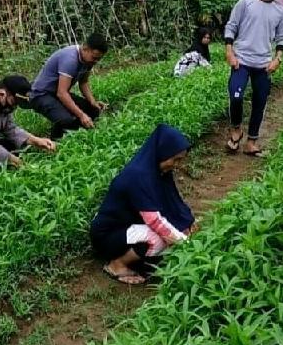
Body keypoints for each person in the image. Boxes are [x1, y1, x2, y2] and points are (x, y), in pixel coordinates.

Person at [90, 124, 196, 285]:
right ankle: (117, 265)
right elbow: (155, 221)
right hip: (108, 235)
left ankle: (139, 257)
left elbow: (172, 202)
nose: (178, 164)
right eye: (175, 159)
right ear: (163, 152)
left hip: (130, 226)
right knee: (158, 237)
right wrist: (188, 246)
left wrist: (187, 223)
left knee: (178, 229)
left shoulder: (159, 171)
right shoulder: (138, 176)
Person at [224, 0, 283, 158]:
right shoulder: (245, 3)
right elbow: (231, 27)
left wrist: (278, 59)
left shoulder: (280, 11)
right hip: (241, 61)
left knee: (260, 100)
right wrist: (229, 52)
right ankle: (236, 129)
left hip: (263, 64)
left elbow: (281, 39)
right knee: (235, 95)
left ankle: (251, 141)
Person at [29, 33, 109, 139]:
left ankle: (79, 135)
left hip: (56, 93)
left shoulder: (87, 61)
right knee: (68, 120)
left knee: (93, 110)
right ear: (85, 48)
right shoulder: (70, 59)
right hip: (42, 95)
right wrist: (81, 115)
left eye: (98, 59)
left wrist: (93, 102)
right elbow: (62, 93)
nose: (96, 61)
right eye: (94, 58)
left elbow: (83, 82)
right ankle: (54, 143)